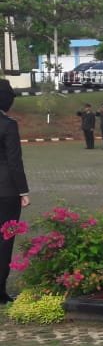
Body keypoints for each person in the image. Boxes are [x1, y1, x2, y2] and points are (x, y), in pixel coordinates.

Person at [0, 80, 30, 303]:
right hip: (7, 190)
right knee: (5, 240)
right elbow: (14, 161)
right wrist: (23, 191)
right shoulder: (8, 125)